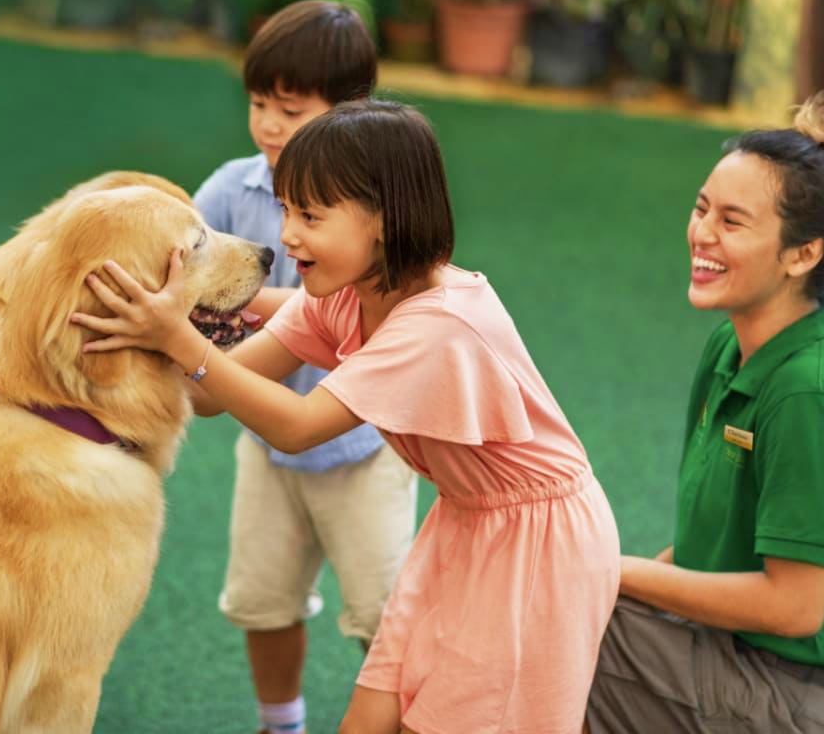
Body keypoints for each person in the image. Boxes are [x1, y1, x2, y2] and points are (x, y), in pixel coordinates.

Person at [73, 99, 621, 733]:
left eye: (310, 214)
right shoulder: (347, 296)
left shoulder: (433, 325)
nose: (286, 235)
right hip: (467, 521)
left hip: (537, 542)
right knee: (374, 713)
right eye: (286, 210)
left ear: (384, 221)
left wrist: (180, 338)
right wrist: (157, 328)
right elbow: (213, 394)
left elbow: (297, 427)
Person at [190, 0, 418, 734]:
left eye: (290, 109)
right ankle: (280, 723)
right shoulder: (231, 190)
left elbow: (343, 301)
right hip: (266, 447)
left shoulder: (375, 207)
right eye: (259, 103)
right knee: (263, 601)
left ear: (351, 112)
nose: (267, 125)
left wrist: (242, 307)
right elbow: (185, 268)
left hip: (364, 450)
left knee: (385, 623)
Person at [585, 92, 824, 733]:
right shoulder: (732, 343)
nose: (701, 233)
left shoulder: (809, 390)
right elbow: (710, 547)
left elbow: (796, 606)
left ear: (802, 254)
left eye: (733, 221)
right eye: (702, 208)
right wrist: (606, 582)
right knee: (564, 606)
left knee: (564, 631)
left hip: (797, 689)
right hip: (730, 646)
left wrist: (617, 574)